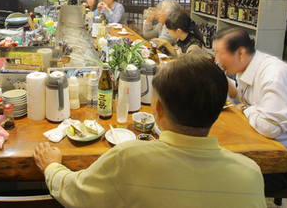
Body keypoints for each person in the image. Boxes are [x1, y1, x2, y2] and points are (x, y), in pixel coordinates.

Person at [33, 55, 266, 208]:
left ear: (158, 109)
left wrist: (52, 166)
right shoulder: (251, 174)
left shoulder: (129, 158)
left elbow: (76, 193)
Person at [212, 28, 287, 194]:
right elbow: (240, 97)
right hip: (268, 147)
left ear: (240, 53)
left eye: (219, 53)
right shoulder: (247, 68)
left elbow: (270, 127)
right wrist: (217, 78)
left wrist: (246, 109)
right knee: (215, 170)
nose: (217, 60)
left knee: (226, 183)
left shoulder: (274, 75)